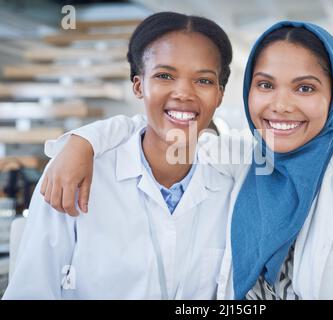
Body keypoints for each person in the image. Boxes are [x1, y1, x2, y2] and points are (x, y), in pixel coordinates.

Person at [22, 21, 333, 300]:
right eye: (265, 85)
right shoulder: (245, 164)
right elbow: (157, 123)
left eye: (305, 87)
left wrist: (80, 140)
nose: (280, 105)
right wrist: (81, 141)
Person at [3, 12, 235, 299]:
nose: (183, 93)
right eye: (165, 76)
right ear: (139, 85)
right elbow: (32, 291)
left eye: (203, 80)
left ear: (220, 95)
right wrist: (82, 142)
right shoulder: (72, 176)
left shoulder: (232, 188)